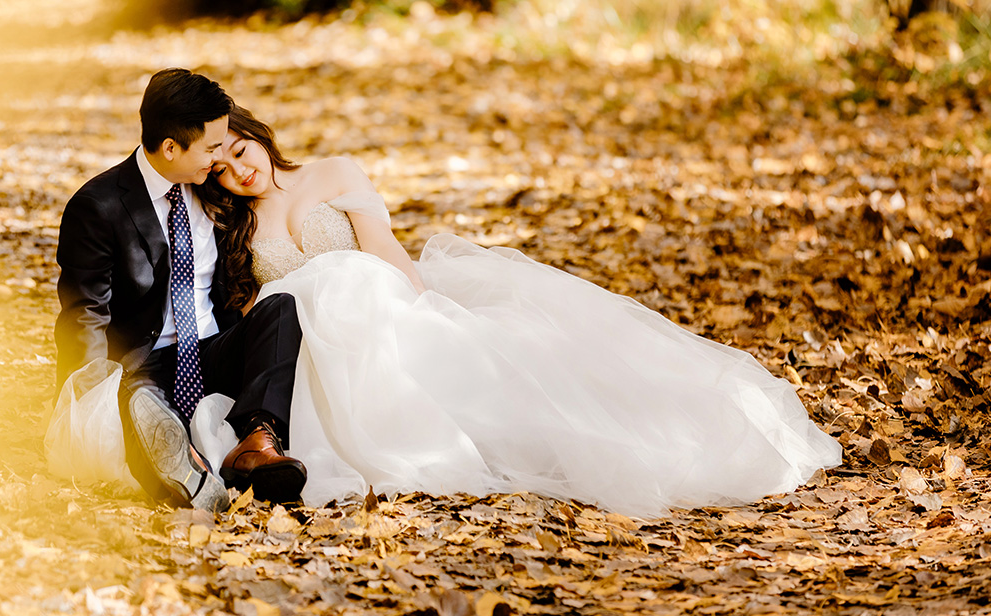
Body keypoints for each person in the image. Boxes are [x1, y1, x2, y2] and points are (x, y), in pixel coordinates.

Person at [196, 107, 843, 518]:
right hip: (319, 345)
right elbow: (262, 310)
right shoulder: (243, 233)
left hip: (378, 304)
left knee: (478, 372)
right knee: (313, 300)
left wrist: (419, 310)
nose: (238, 172)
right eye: (221, 171)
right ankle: (275, 445)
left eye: (240, 152)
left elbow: (383, 251)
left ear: (255, 135)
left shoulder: (333, 172)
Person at [52, 70, 308, 510]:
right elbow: (84, 312)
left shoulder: (212, 186)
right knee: (142, 406)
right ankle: (183, 472)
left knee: (282, 307)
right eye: (211, 148)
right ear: (171, 147)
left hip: (212, 350)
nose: (219, 158)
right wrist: (87, 404)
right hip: (143, 366)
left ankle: (256, 444)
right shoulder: (98, 206)